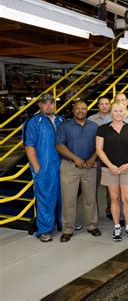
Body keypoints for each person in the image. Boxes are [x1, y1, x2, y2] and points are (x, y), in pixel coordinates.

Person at [55, 100, 101, 242]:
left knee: (90, 198)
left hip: (90, 167)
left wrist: (93, 159)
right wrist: (76, 159)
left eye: (83, 108)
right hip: (69, 167)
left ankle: (92, 226)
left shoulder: (94, 127)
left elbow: (100, 146)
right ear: (73, 110)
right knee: (68, 200)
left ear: (87, 110)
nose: (81, 111)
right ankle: (68, 229)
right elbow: (59, 145)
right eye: (78, 108)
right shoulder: (64, 126)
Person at [22, 93, 64, 242]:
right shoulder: (33, 122)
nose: (48, 105)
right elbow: (29, 145)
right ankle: (44, 230)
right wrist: (37, 166)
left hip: (62, 166)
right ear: (40, 105)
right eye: (45, 103)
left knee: (63, 197)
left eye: (51, 103)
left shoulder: (61, 120)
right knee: (46, 198)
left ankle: (63, 224)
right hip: (45, 168)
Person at [96, 103, 128, 241]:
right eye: (115, 111)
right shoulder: (102, 129)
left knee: (127, 199)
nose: (118, 113)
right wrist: (110, 165)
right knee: (114, 199)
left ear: (125, 112)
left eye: (121, 111)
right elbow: (99, 150)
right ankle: (117, 227)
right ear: (111, 113)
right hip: (109, 169)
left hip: (127, 168)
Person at [88, 96, 113, 220]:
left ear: (110, 105)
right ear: (98, 105)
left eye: (106, 103)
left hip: (110, 159)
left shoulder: (114, 117)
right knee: (93, 188)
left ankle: (110, 211)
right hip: (95, 158)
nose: (104, 106)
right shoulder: (91, 119)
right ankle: (94, 215)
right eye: (101, 104)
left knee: (111, 188)